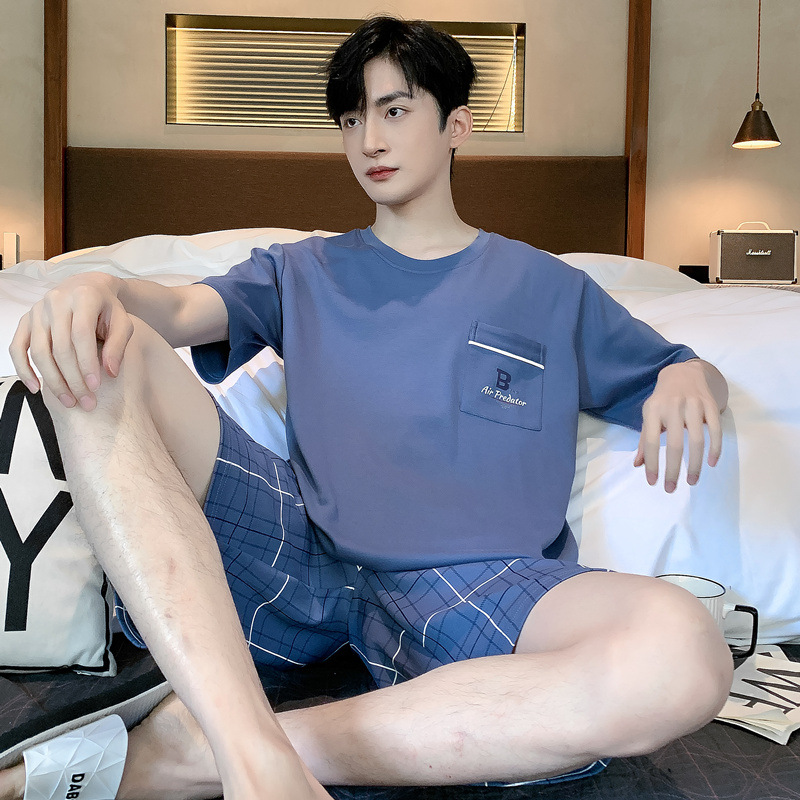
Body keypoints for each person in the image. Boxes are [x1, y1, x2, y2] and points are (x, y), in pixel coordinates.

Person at [2, 16, 732, 800]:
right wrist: (100, 287)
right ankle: (248, 749)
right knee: (106, 348)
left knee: (684, 655)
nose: (369, 141)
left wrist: (691, 375)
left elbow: (675, 369)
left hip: (483, 584)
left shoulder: (549, 287)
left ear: (457, 126)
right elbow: (176, 313)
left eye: (395, 110)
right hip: (301, 556)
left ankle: (215, 748)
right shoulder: (303, 269)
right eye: (352, 120)